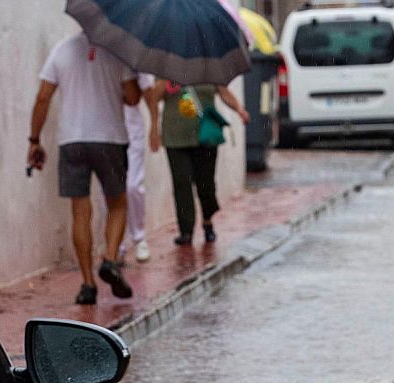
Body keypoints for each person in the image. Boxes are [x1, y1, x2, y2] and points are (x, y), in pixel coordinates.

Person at [29, 31, 141, 305]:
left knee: (80, 211)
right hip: (110, 139)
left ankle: (88, 284)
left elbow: (43, 97)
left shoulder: (62, 49)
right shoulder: (118, 51)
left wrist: (34, 140)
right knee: (117, 203)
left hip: (72, 141)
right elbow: (133, 98)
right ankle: (111, 259)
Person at [155, 81, 249, 245]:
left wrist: (239, 109)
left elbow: (223, 91)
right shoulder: (167, 65)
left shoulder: (207, 64)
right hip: (174, 135)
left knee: (205, 183)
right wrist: (164, 83)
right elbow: (153, 97)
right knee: (181, 182)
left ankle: (207, 220)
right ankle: (186, 230)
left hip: (205, 134)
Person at [120, 74, 159, 264]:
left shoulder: (135, 58)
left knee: (133, 186)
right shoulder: (99, 55)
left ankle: (139, 237)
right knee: (110, 190)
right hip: (105, 131)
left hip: (132, 131)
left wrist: (154, 127)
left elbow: (149, 93)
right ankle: (117, 244)